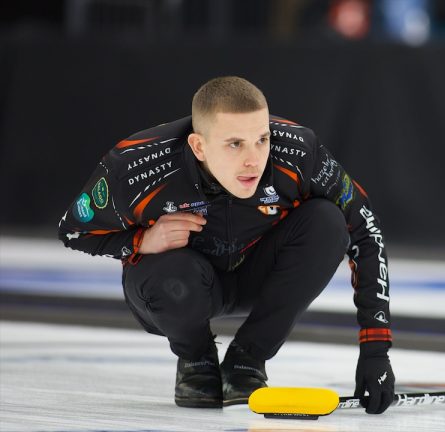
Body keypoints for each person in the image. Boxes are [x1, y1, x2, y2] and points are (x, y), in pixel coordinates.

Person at [58, 76, 394, 413]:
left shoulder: (299, 152)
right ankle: (196, 359)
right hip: (177, 286)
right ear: (198, 146)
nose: (253, 160)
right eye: (235, 144)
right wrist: (141, 240)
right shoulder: (134, 167)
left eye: (262, 139)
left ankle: (247, 360)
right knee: (170, 273)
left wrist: (375, 349)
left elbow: (365, 228)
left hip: (258, 277)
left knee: (328, 221)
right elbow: (73, 231)